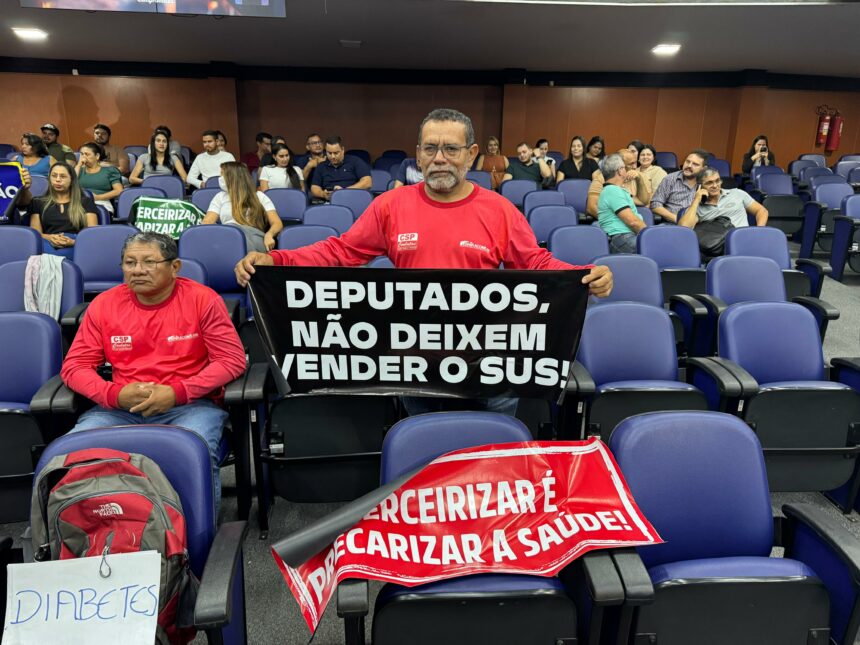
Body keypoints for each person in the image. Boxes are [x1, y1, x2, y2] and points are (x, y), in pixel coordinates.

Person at [234, 108, 614, 418]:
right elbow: (340, 252)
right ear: (417, 154)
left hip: (488, 362)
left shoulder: (499, 211)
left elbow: (534, 261)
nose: (439, 159)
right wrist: (275, 259)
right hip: (414, 363)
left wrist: (582, 277)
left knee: (488, 465)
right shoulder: (390, 206)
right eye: (430, 149)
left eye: (451, 149)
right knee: (424, 462)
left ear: (471, 153)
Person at [60, 232, 247, 513]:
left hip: (190, 405)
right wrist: (114, 394)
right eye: (129, 262)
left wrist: (177, 393)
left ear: (175, 267)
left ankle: (197, 541)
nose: (137, 270)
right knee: (72, 452)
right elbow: (74, 367)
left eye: (149, 262)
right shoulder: (104, 305)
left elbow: (232, 359)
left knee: (190, 453)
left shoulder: (202, 300)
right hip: (122, 409)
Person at [16, 161, 98, 256]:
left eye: (63, 176)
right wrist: (50, 237)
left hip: (77, 244)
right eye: (54, 176)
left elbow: (92, 234)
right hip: (47, 243)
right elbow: (36, 233)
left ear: (72, 180)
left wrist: (73, 242)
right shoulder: (38, 202)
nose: (57, 180)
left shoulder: (85, 202)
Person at [203, 161, 283, 252]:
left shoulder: (259, 196)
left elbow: (277, 223)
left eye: (222, 174)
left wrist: (269, 234)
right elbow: (207, 221)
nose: (219, 178)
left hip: (253, 236)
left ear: (233, 177)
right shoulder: (220, 197)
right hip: (228, 235)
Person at [681, 167, 768, 232]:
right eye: (709, 183)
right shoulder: (697, 208)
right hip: (718, 247)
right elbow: (684, 229)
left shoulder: (737, 193)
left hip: (744, 240)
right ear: (699, 186)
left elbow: (761, 211)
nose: (715, 186)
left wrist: (758, 232)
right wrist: (696, 200)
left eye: (717, 181)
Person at [596, 153, 647, 254]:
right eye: (624, 167)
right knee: (656, 248)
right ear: (619, 171)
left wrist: (639, 179)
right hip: (621, 237)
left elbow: (643, 201)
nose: (627, 170)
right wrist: (649, 236)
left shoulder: (615, 190)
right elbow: (633, 222)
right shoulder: (612, 191)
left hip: (626, 236)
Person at [586, 148, 651, 217]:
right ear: (619, 166)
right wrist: (615, 221)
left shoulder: (639, 176)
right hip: (609, 222)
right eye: (631, 164)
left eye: (635, 163)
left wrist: (639, 179)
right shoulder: (602, 178)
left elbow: (644, 202)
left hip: (633, 219)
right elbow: (591, 208)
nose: (635, 167)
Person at [650, 149, 709, 224]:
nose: (689, 165)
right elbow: (655, 204)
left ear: (703, 169)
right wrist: (676, 219)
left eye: (695, 164)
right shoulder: (670, 179)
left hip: (697, 226)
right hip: (671, 223)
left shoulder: (706, 183)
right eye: (687, 161)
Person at [309, 136, 372, 202]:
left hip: (352, 199)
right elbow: (314, 188)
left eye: (336, 153)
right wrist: (323, 194)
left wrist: (344, 191)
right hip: (329, 201)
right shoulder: (321, 166)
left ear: (342, 150)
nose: (333, 156)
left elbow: (368, 182)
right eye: (329, 153)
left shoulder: (355, 161)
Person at [75, 142, 124, 213]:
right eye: (82, 154)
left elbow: (119, 190)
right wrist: (79, 165)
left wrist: (98, 197)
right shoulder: (78, 170)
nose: (83, 157)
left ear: (97, 156)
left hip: (101, 202)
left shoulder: (109, 171)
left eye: (87, 154)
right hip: (79, 203)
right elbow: (70, 184)